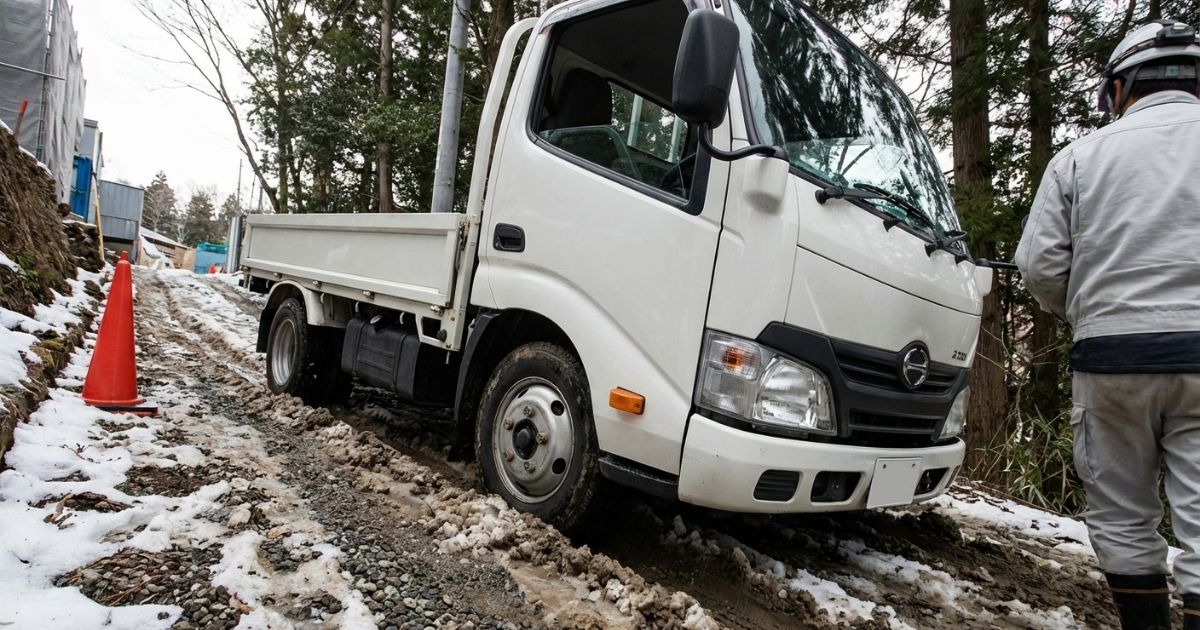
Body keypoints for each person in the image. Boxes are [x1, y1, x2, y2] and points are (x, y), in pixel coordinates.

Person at [1016, 19, 1200, 630]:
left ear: (1118, 88)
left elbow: (1039, 266)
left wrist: (1089, 312)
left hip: (1113, 355)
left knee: (1122, 514)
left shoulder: (1080, 157)